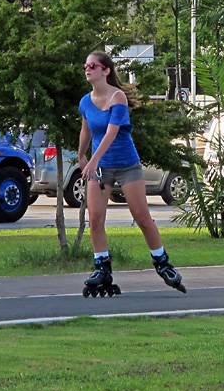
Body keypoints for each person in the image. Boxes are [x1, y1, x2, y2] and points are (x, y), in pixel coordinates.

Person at [78, 51, 185, 295]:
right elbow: (87, 131)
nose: (87, 69)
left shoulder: (118, 98)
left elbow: (111, 133)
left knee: (142, 217)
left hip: (127, 165)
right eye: (85, 66)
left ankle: (162, 262)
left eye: (92, 65)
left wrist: (93, 160)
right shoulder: (85, 101)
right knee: (95, 218)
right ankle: (102, 266)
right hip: (100, 168)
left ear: (105, 71)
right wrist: (82, 155)